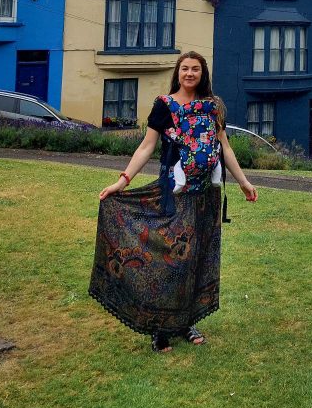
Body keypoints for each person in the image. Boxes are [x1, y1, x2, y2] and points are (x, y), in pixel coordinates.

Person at [89, 51, 257, 352]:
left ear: (202, 73)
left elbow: (225, 148)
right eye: (184, 69)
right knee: (169, 261)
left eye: (195, 69)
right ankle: (160, 329)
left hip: (206, 197)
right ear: (177, 73)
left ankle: (186, 322)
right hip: (174, 195)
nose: (189, 74)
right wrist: (122, 181)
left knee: (195, 260)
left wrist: (244, 183)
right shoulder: (164, 106)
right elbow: (146, 147)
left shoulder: (214, 107)